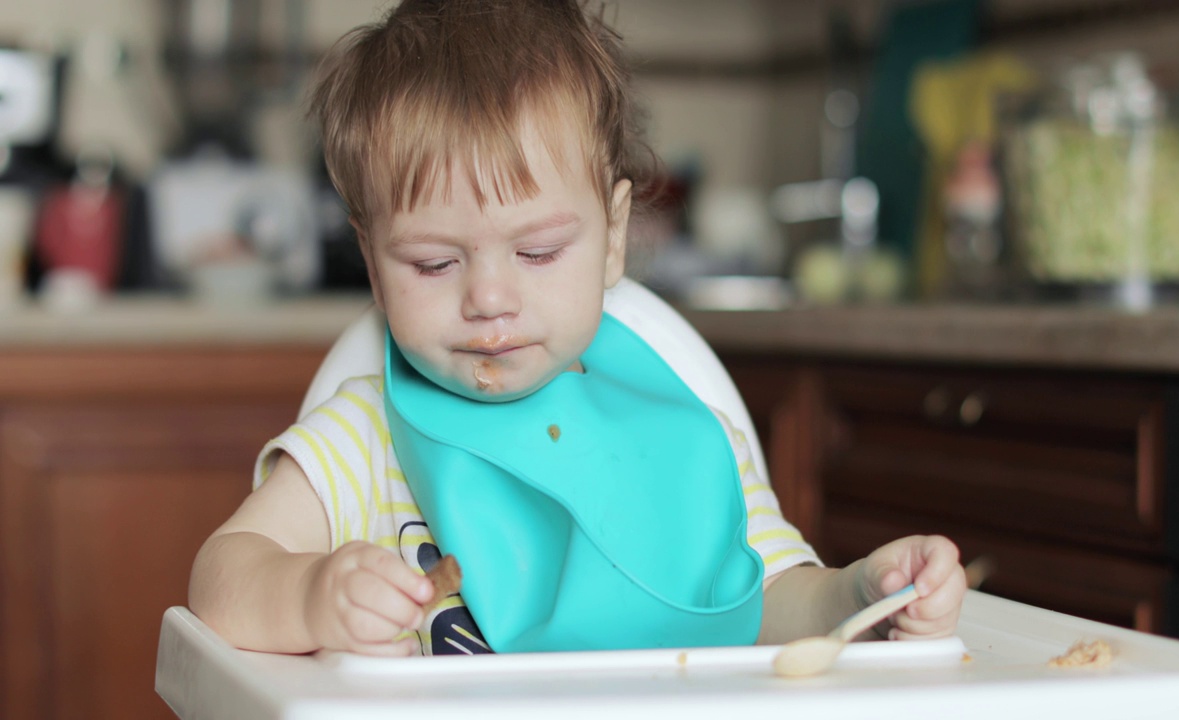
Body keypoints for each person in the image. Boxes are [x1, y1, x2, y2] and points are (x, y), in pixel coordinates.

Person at [188, 0, 967, 657]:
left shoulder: (691, 437)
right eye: (431, 263)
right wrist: (311, 593)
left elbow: (773, 606)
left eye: (538, 251)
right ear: (370, 257)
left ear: (614, 235)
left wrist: (864, 596)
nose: (489, 298)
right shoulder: (363, 440)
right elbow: (220, 580)